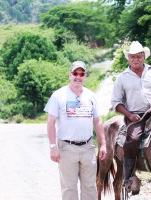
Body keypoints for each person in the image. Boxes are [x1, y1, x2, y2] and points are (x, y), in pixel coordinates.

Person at [44, 61, 107, 200]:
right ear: (69, 75)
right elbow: (51, 122)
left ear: (85, 76)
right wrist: (53, 147)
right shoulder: (58, 95)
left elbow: (97, 121)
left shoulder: (91, 95)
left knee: (90, 187)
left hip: (88, 147)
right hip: (67, 148)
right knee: (69, 187)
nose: (78, 77)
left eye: (81, 74)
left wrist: (103, 144)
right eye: (75, 73)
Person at [111, 41, 151, 189]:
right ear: (128, 58)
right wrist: (129, 115)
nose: (135, 59)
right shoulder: (122, 77)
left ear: (144, 57)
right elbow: (116, 102)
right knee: (132, 140)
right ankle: (129, 176)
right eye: (132, 57)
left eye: (138, 56)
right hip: (136, 117)